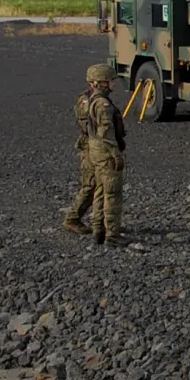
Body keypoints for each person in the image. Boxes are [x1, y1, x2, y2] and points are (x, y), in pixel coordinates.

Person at [71, 63, 129, 246]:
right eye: (110, 81)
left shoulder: (90, 100)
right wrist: (116, 154)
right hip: (104, 152)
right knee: (111, 192)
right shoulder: (102, 104)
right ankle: (112, 234)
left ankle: (99, 229)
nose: (113, 84)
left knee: (99, 190)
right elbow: (106, 132)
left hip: (95, 150)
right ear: (100, 83)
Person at [62, 69, 100, 235]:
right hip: (90, 147)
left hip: (99, 147)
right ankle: (72, 219)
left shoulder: (98, 99)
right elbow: (90, 126)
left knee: (104, 186)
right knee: (90, 186)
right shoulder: (86, 101)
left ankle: (104, 223)